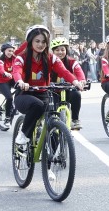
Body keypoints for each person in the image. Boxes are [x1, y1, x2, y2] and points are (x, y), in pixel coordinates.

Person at [11, 25, 80, 154]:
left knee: (55, 123)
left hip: (44, 94)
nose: (40, 44)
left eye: (43, 42)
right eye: (37, 41)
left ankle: (51, 162)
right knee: (37, 106)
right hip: (24, 95)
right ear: (30, 41)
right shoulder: (22, 57)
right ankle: (23, 135)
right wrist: (20, 82)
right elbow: (16, 71)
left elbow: (64, 71)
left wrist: (76, 82)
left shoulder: (50, 57)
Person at [50, 37, 91, 130]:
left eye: (62, 49)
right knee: (51, 109)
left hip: (68, 90)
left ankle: (75, 120)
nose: (60, 52)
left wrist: (82, 80)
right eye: (57, 50)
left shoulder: (72, 61)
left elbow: (78, 71)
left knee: (76, 94)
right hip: (53, 91)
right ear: (53, 51)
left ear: (66, 50)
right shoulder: (49, 61)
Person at [0, 43, 18, 124]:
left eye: (12, 51)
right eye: (9, 51)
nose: (10, 53)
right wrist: (5, 73)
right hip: (2, 82)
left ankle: (16, 105)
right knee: (9, 98)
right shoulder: (0, 60)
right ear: (4, 51)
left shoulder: (14, 59)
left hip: (11, 79)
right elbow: (1, 69)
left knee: (22, 88)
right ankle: (7, 118)